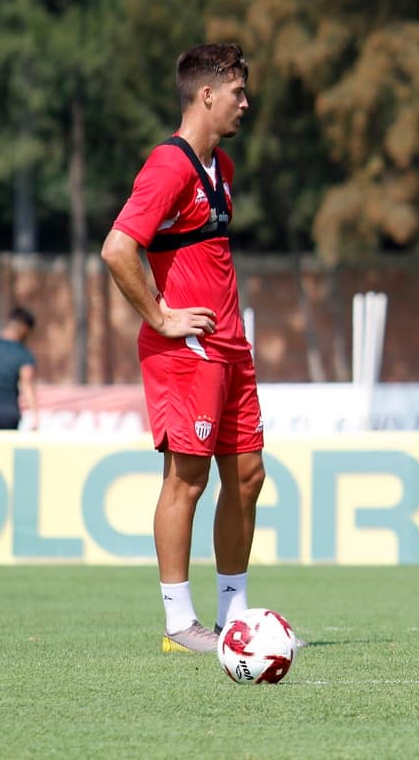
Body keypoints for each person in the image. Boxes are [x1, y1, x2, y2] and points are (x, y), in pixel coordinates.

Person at [101, 43, 299, 654]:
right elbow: (116, 248)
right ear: (206, 95)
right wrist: (160, 317)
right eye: (238, 92)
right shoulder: (168, 165)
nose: (246, 102)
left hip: (230, 346)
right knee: (186, 478)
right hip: (187, 349)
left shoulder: (223, 169)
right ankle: (178, 622)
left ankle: (234, 617)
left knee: (247, 475)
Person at [0, 307, 39, 430]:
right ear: (25, 329)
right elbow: (27, 385)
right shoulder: (23, 354)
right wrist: (35, 415)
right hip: (7, 415)